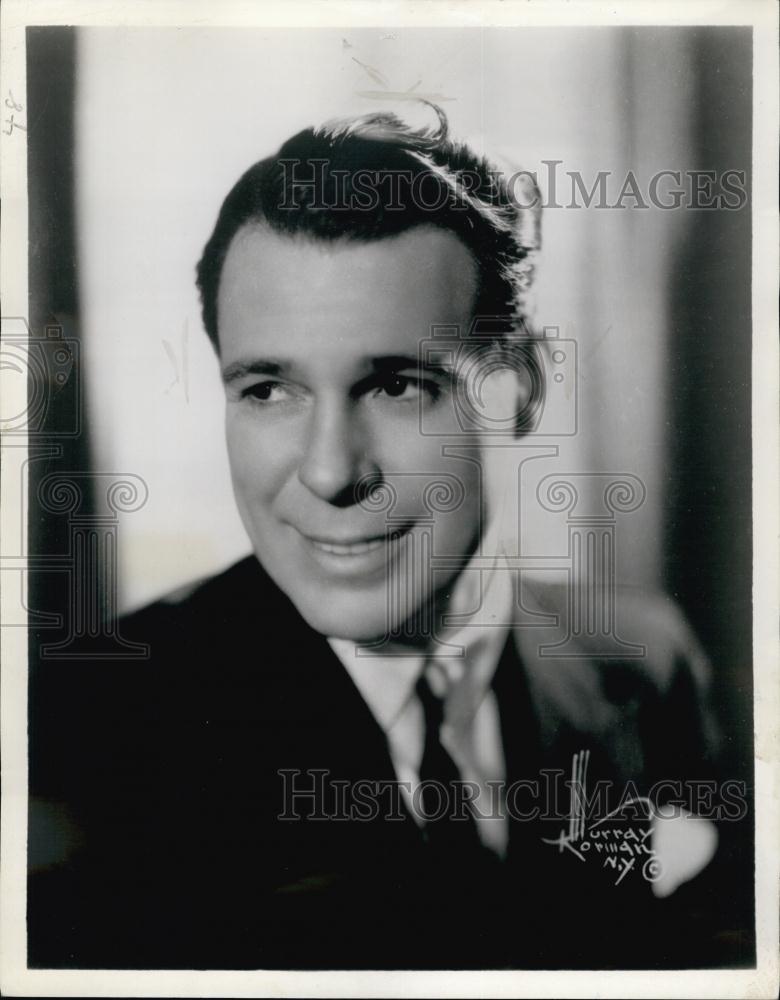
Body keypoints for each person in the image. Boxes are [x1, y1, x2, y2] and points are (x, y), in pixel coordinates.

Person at [28, 105, 738, 970]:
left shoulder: (645, 663)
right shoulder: (87, 725)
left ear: (518, 390)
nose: (329, 472)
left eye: (397, 386)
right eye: (267, 390)